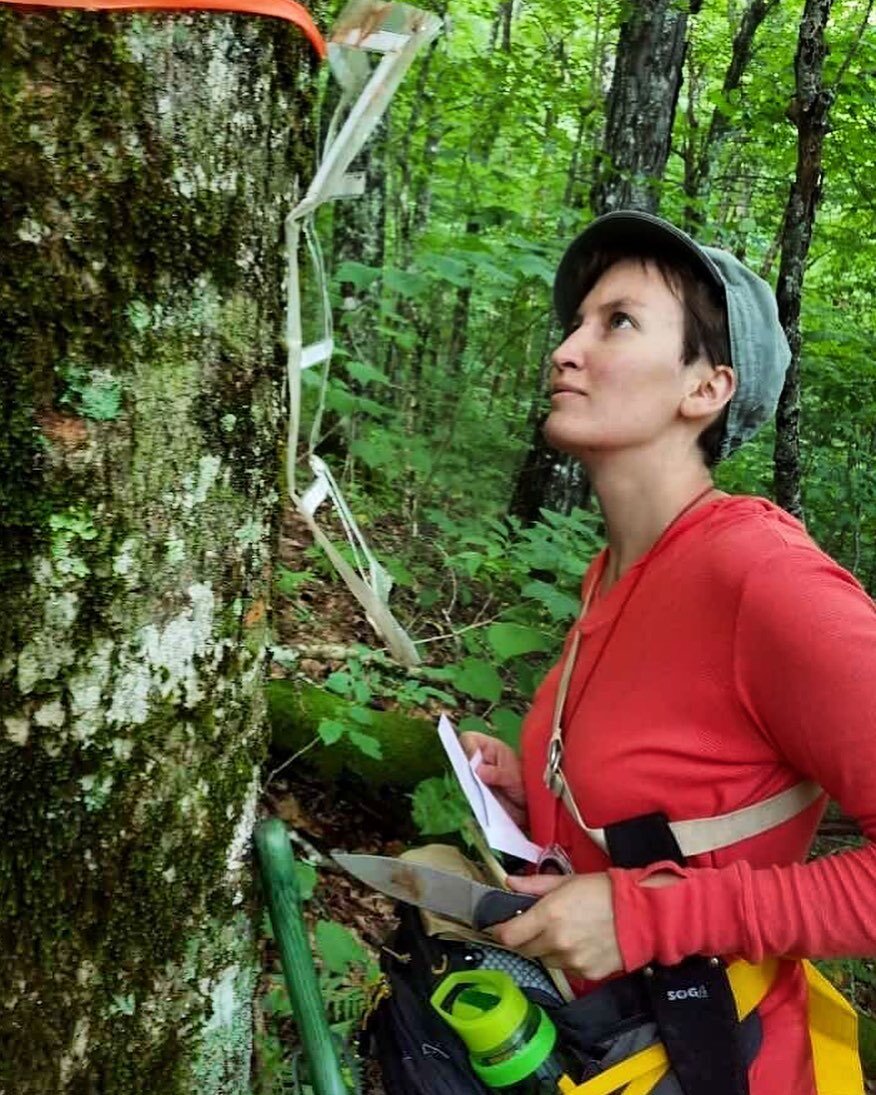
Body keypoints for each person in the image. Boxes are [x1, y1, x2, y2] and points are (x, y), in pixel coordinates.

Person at [460, 210, 876, 1093]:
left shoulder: (763, 578)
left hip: (718, 1060)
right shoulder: (615, 569)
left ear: (706, 389)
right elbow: (675, 797)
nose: (567, 349)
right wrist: (526, 782)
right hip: (597, 1048)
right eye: (575, 323)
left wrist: (652, 916)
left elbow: (661, 895)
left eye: (617, 322)